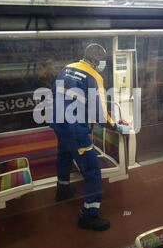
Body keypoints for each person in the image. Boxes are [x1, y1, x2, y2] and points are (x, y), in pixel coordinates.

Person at [49, 43, 129, 231]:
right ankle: (89, 216)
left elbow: (53, 94)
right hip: (75, 130)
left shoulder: (66, 68)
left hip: (58, 123)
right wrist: (115, 126)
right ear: (95, 61)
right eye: (101, 61)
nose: (102, 65)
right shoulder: (94, 76)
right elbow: (100, 112)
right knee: (92, 171)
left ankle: (63, 190)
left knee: (64, 155)